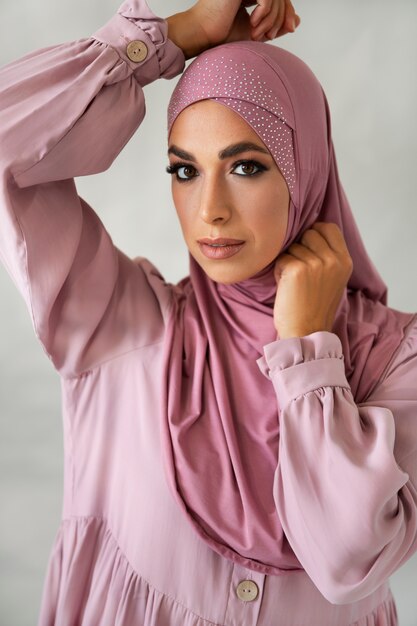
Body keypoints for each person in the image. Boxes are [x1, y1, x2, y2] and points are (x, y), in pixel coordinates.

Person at [0, 0, 416, 624]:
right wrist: (172, 37)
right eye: (185, 171)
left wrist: (306, 351)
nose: (210, 210)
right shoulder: (120, 323)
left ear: (307, 170)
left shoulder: (395, 360)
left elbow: (346, 559)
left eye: (246, 167)